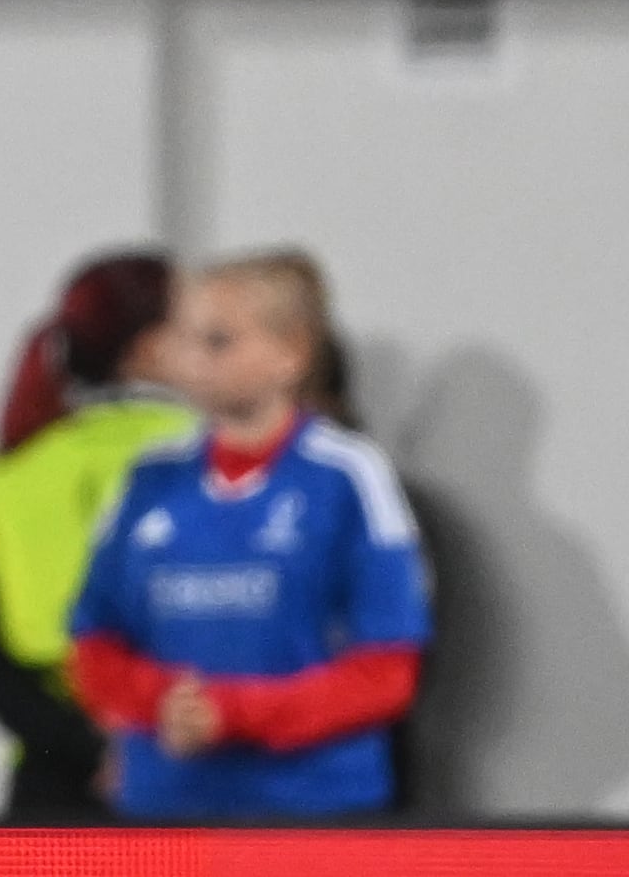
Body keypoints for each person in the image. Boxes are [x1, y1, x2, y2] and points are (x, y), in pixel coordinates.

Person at [66, 253, 430, 822]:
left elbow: (387, 671)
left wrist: (232, 714)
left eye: (218, 342)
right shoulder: (148, 478)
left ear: (291, 354)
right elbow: (92, 646)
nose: (193, 360)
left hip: (314, 808)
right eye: (183, 339)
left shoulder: (349, 476)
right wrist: (161, 705)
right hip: (165, 807)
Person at [0, 250, 193, 820]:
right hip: (198, 779)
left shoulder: (7, 475)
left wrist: (87, 750)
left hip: (49, 795)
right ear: (152, 348)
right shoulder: (224, 463)